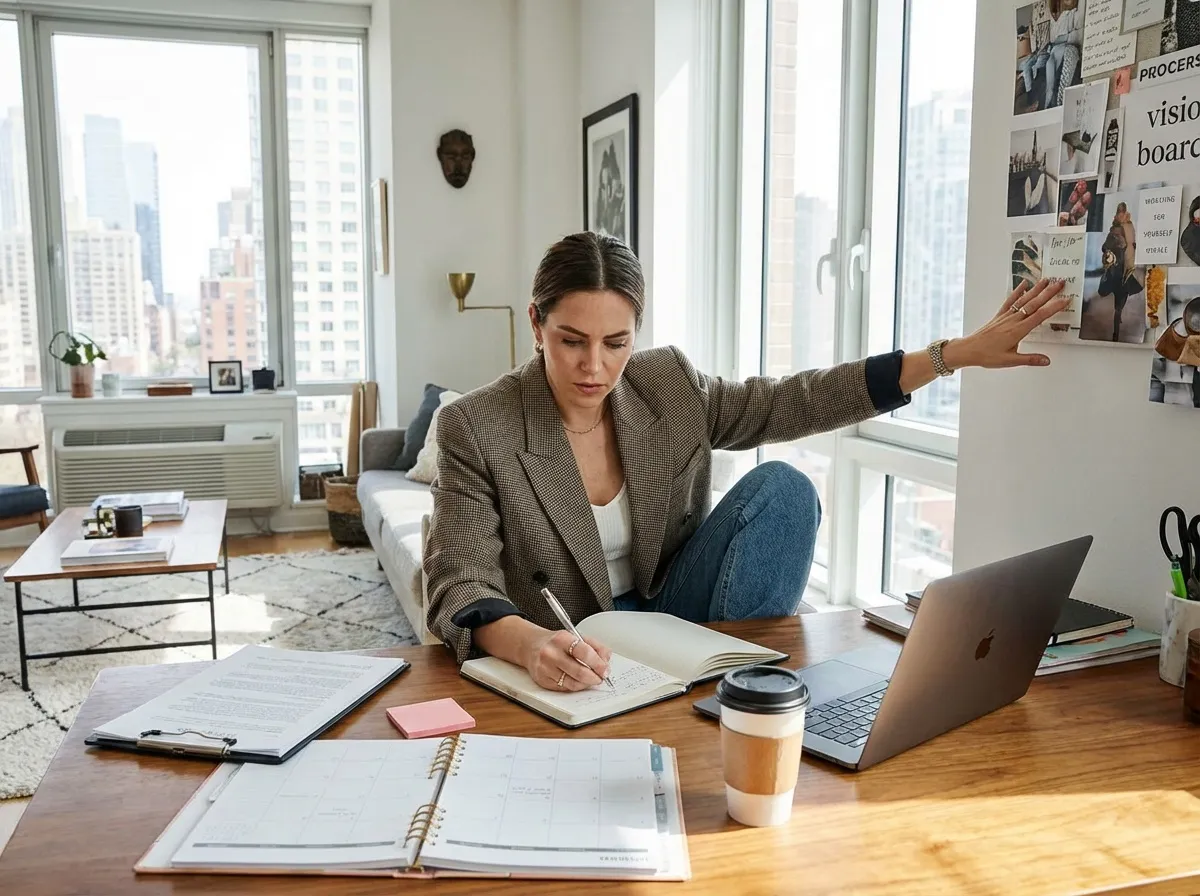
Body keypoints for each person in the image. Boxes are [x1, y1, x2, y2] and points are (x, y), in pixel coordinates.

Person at [423, 232, 1068, 691]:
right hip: (563, 640)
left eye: (615, 342)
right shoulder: (478, 425)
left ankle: (738, 692)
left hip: (667, 617)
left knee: (784, 489)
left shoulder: (665, 384)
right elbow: (460, 584)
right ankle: (732, 688)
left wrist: (951, 355)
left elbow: (788, 403)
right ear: (537, 324)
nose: (594, 366)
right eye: (572, 341)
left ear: (637, 334)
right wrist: (531, 646)